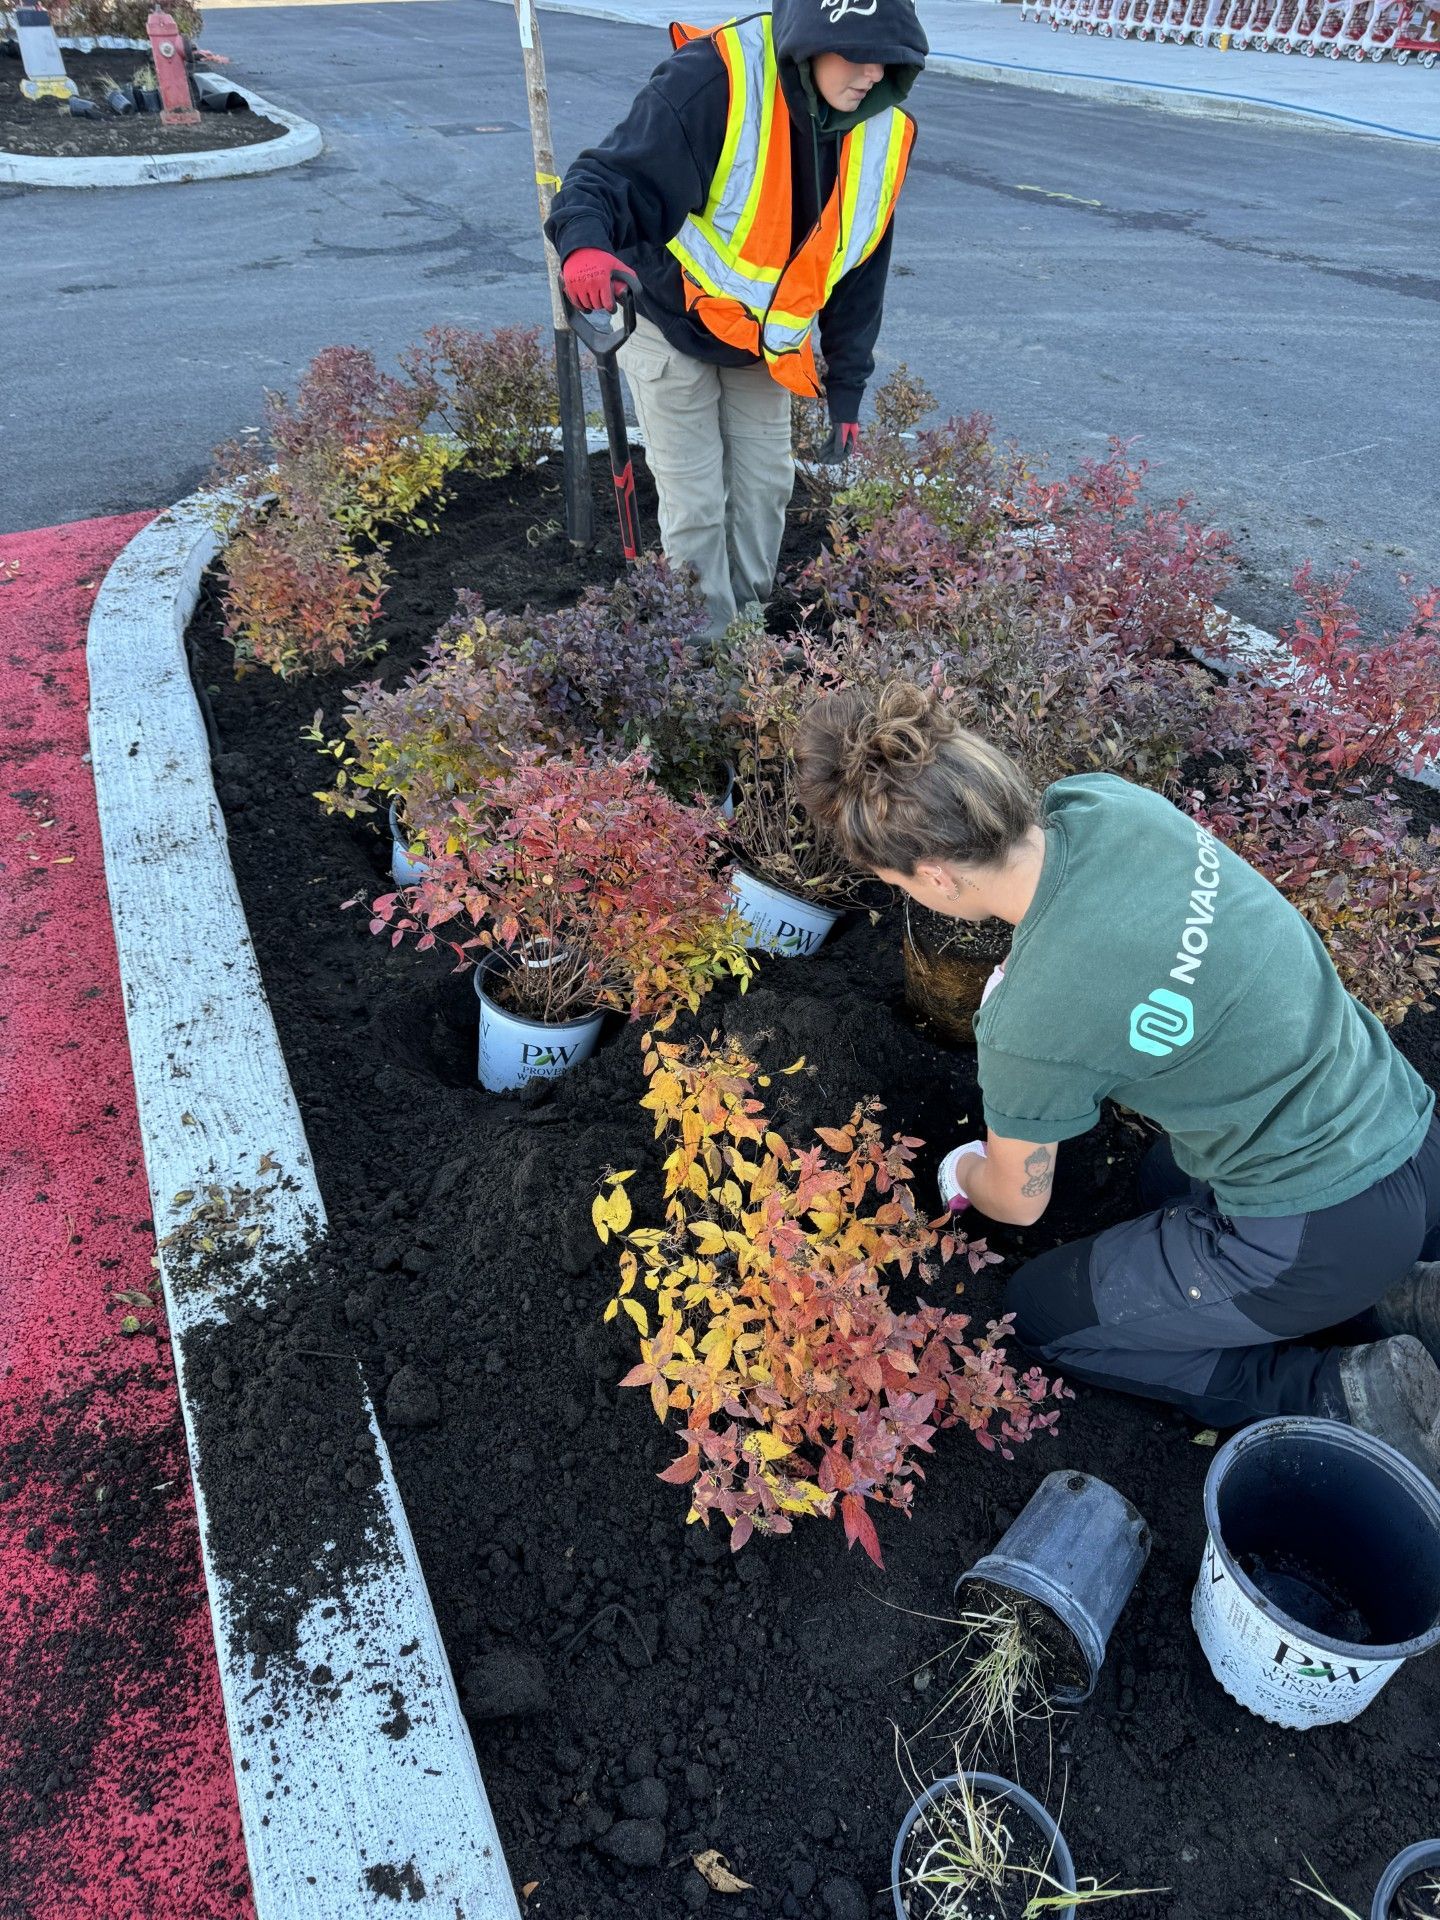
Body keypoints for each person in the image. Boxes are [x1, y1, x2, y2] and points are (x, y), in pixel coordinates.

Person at [795, 680, 1440, 1479]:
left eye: (891, 881)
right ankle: (1401, 1293)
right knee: (1165, 1176)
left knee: (1045, 1318)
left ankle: (1333, 1392)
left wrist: (960, 1169)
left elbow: (1018, 1200)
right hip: (1405, 1123)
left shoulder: (1029, 1022)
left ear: (934, 877)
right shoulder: (1105, 806)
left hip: (1320, 1224)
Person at [544, 0, 927, 636]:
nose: (871, 73)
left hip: (760, 342)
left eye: (887, 58)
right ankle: (701, 652)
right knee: (695, 502)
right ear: (810, 41)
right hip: (670, 316)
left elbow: (861, 272)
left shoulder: (880, 134)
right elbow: (608, 176)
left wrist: (847, 391)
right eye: (856, 53)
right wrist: (585, 242)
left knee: (764, 491)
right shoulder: (717, 80)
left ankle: (744, 639)